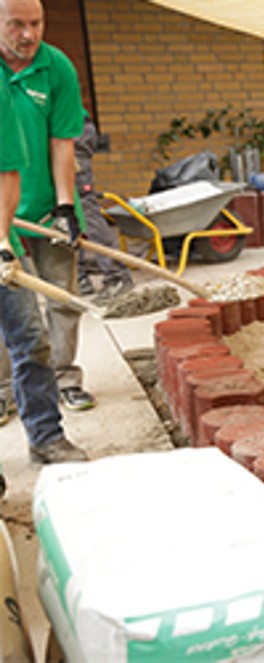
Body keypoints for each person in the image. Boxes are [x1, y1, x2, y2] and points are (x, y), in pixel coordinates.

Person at [0, 0, 95, 424]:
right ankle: (6, 390)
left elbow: (62, 141)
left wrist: (63, 205)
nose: (28, 34)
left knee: (62, 295)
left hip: (45, 203)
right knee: (10, 305)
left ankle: (65, 378)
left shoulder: (57, 67)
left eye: (36, 23)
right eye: (16, 24)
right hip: (2, 212)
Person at [0, 78, 87, 463]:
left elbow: (7, 174)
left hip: (3, 236)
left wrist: (2, 238)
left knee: (30, 338)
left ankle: (46, 437)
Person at [74, 110, 133, 301]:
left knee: (83, 206)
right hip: (54, 132)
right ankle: (79, 277)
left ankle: (117, 277)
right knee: (63, 210)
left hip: (70, 130)